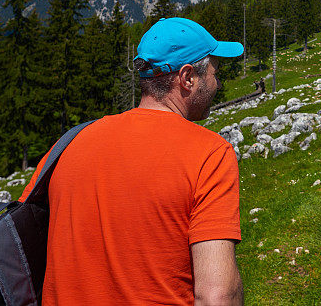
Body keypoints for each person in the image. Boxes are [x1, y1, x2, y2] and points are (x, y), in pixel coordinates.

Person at [20, 17, 244, 305]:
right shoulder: (209, 154)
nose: (218, 82)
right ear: (188, 78)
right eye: (214, 71)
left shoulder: (69, 144)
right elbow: (218, 297)